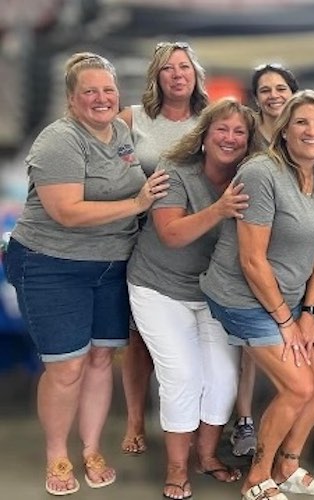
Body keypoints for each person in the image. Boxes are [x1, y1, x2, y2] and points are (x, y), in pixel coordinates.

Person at [3, 52, 169, 496]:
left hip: (112, 265)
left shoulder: (122, 132)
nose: (101, 98)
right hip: (53, 264)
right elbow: (67, 212)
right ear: (71, 99)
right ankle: (57, 454)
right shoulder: (59, 141)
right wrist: (137, 204)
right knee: (67, 367)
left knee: (99, 360)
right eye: (89, 91)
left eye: (108, 90)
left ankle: (92, 448)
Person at [200, 90, 314, 500]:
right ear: (284, 131)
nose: (311, 131)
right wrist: (285, 321)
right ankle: (257, 477)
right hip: (242, 296)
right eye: (301, 122)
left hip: (290, 299)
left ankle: (288, 465)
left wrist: (309, 312)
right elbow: (251, 260)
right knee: (298, 386)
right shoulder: (261, 173)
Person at [127, 98, 257, 499]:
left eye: (239, 132)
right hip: (158, 287)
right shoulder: (176, 170)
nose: (230, 138)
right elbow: (171, 234)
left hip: (214, 291)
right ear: (204, 135)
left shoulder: (252, 176)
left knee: (223, 377)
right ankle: (176, 468)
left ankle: (207, 455)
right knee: (182, 375)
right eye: (222, 129)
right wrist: (220, 209)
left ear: (249, 141)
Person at [117, 40, 209, 456]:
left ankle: (192, 418)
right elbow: (104, 164)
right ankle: (136, 419)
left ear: (195, 75)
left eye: (184, 67)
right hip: (139, 237)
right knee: (139, 337)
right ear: (156, 76)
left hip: (196, 239)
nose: (177, 74)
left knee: (192, 338)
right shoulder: (131, 119)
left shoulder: (210, 120)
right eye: (168, 68)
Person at [227, 62, 300, 459]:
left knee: (298, 340)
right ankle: (244, 421)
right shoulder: (247, 137)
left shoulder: (303, 133)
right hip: (254, 242)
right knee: (250, 347)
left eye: (281, 88)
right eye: (266, 90)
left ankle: (293, 418)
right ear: (256, 99)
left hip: (294, 249)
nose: (274, 95)